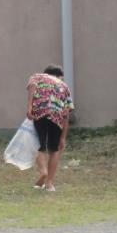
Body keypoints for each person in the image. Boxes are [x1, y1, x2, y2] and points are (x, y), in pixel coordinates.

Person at [27, 64, 74, 192]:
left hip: (40, 112)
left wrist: (29, 108)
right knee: (54, 150)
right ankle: (50, 184)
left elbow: (32, 86)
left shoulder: (38, 76)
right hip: (57, 116)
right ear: (59, 76)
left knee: (38, 145)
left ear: (46, 73)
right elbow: (66, 114)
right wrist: (63, 138)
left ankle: (43, 172)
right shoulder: (64, 86)